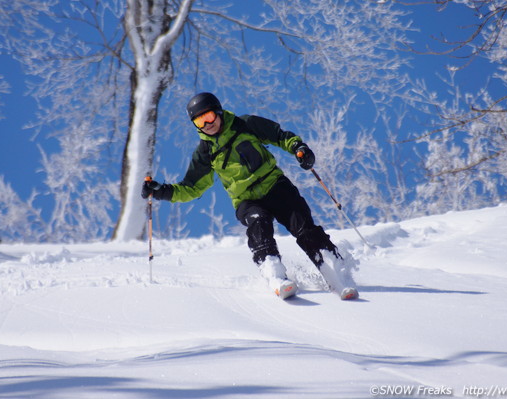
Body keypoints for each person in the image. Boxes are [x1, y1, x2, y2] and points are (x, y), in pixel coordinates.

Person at [141, 92, 358, 300]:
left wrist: (299, 149)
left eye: (209, 117)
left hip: (275, 185)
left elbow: (280, 136)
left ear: (218, 112)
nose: (208, 125)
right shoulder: (205, 152)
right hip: (246, 200)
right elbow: (191, 188)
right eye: (200, 122)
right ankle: (274, 272)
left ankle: (334, 271)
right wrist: (161, 192)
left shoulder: (245, 124)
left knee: (302, 225)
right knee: (258, 223)